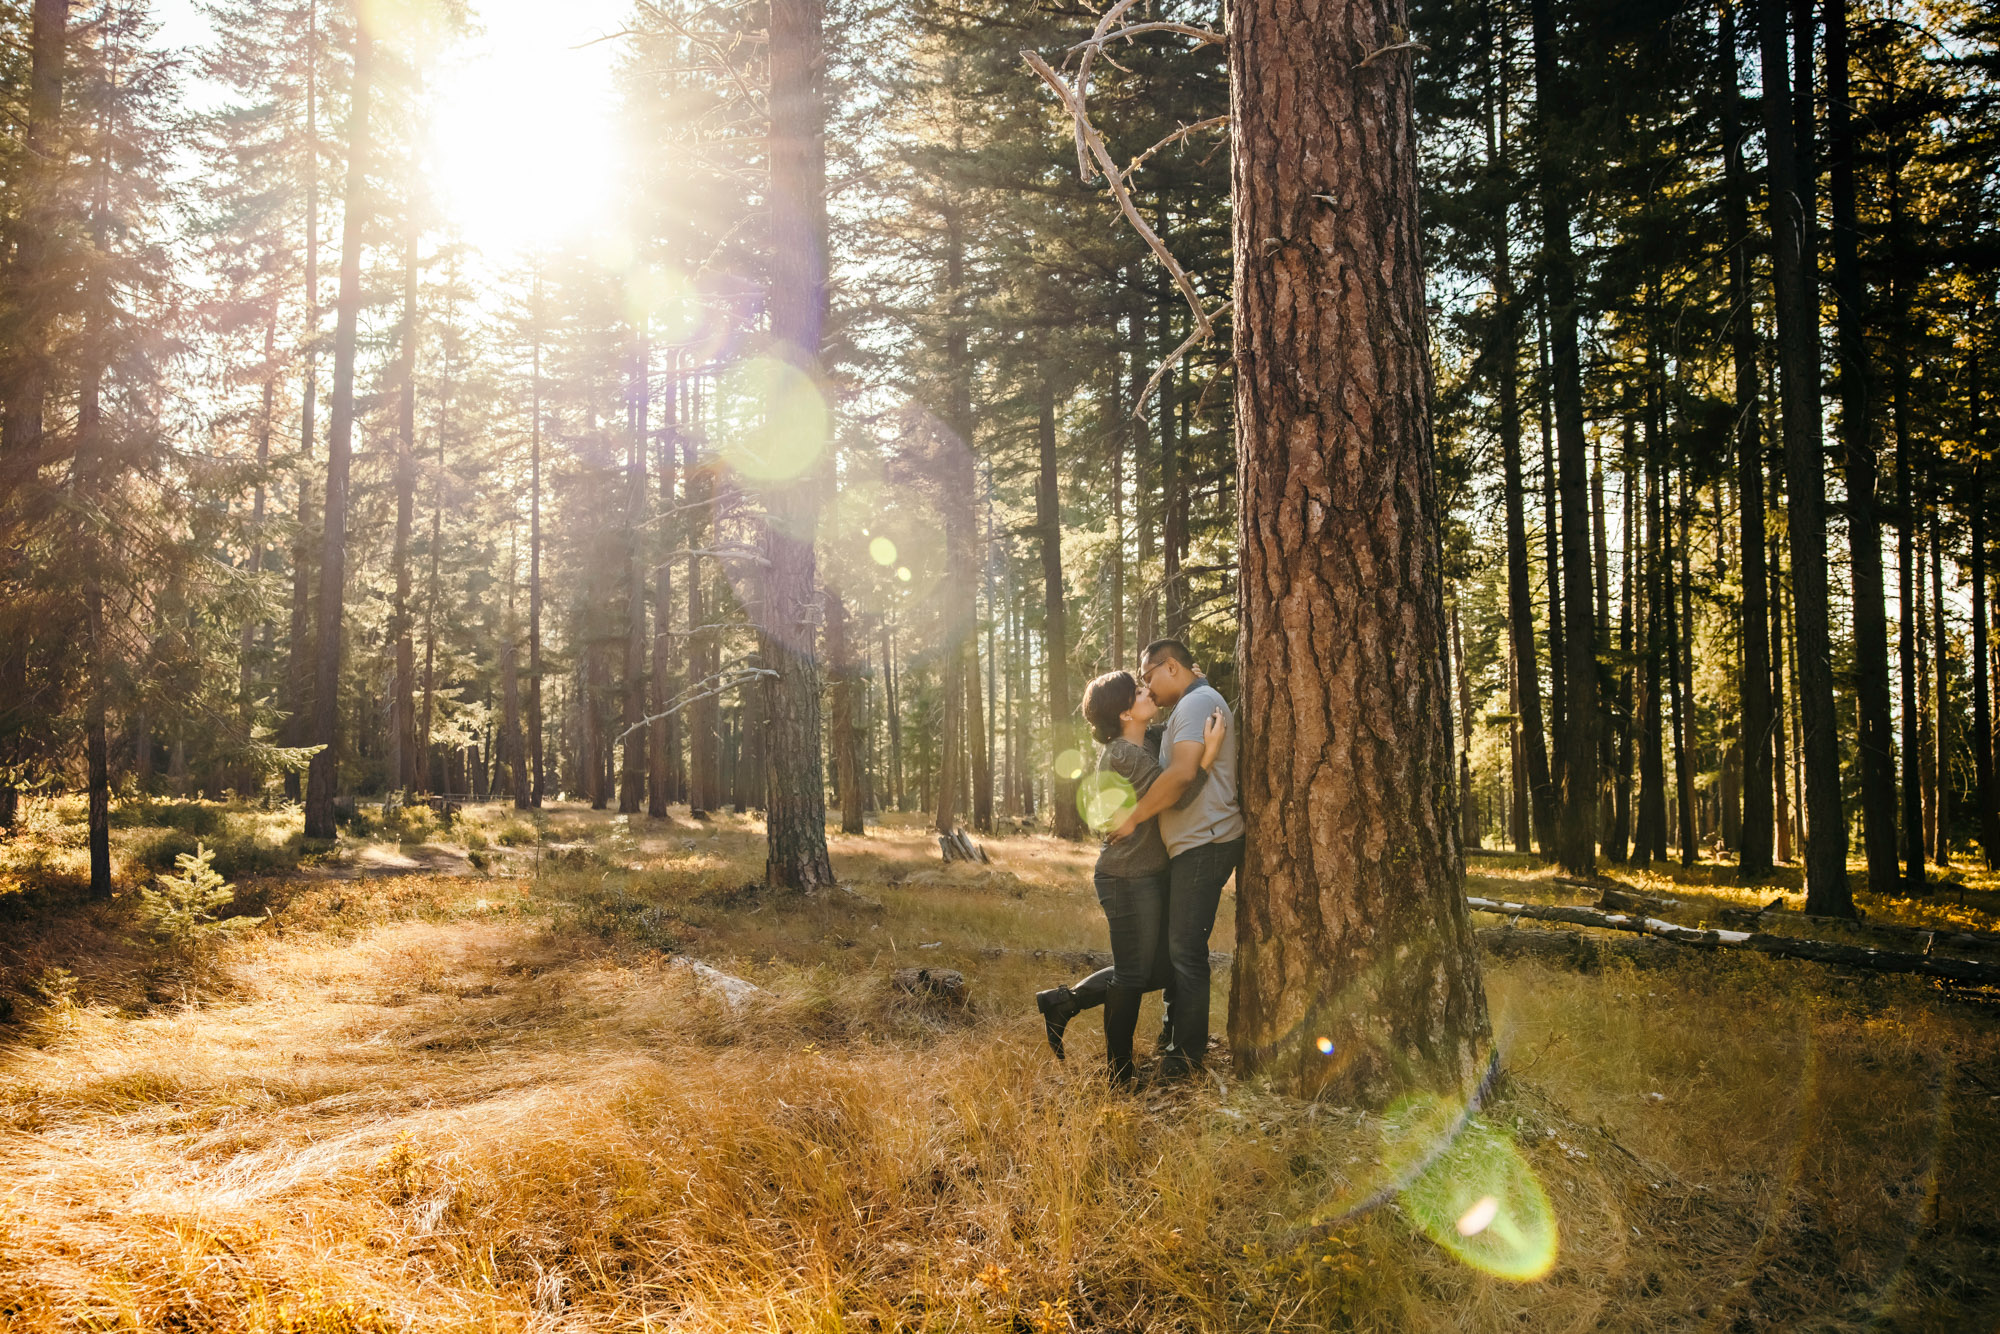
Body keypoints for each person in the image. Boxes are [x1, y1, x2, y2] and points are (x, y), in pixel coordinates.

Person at [1035, 669, 1223, 1083]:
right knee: (1135, 975)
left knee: (1160, 970)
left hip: (1145, 875)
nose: (1148, 691)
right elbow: (1178, 795)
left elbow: (1166, 741)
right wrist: (1206, 759)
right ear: (1124, 713)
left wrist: (1195, 685)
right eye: (1140, 692)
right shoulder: (1124, 756)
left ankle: (1063, 1003)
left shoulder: (1141, 745)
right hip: (1125, 877)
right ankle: (1118, 1075)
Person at [1108, 639, 1242, 1078]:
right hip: (1192, 844)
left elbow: (1183, 776)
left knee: (1185, 951)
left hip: (1205, 841)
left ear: (1170, 667)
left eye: (1147, 676)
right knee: (1174, 950)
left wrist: (1133, 818)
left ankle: (1184, 1059)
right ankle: (1173, 1041)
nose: (1146, 686)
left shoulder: (1195, 703)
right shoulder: (1189, 707)